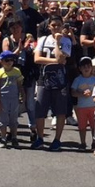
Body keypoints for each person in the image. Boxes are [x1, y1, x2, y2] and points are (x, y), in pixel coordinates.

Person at [32, 16, 72, 150]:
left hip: (60, 78)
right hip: (44, 78)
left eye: (59, 25)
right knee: (40, 108)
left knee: (60, 111)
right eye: (53, 25)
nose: (56, 28)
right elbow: (37, 59)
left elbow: (62, 57)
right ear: (49, 26)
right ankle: (40, 137)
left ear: (62, 26)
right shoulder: (43, 39)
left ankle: (57, 139)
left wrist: (57, 42)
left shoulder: (66, 41)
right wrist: (55, 61)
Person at [0, 50, 24, 149]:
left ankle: (14, 137)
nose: (9, 62)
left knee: (14, 120)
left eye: (11, 60)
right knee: (3, 120)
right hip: (3, 99)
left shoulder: (16, 71)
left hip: (14, 99)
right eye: (7, 60)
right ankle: (3, 138)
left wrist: (22, 95)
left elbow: (19, 85)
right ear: (1, 61)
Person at [71, 57, 95, 151]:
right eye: (84, 67)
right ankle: (82, 142)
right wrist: (82, 94)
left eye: (88, 66)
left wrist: (93, 93)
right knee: (82, 126)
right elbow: (73, 92)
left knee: (94, 126)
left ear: (92, 67)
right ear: (80, 68)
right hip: (81, 107)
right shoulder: (77, 80)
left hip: (93, 106)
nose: (86, 68)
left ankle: (94, 142)